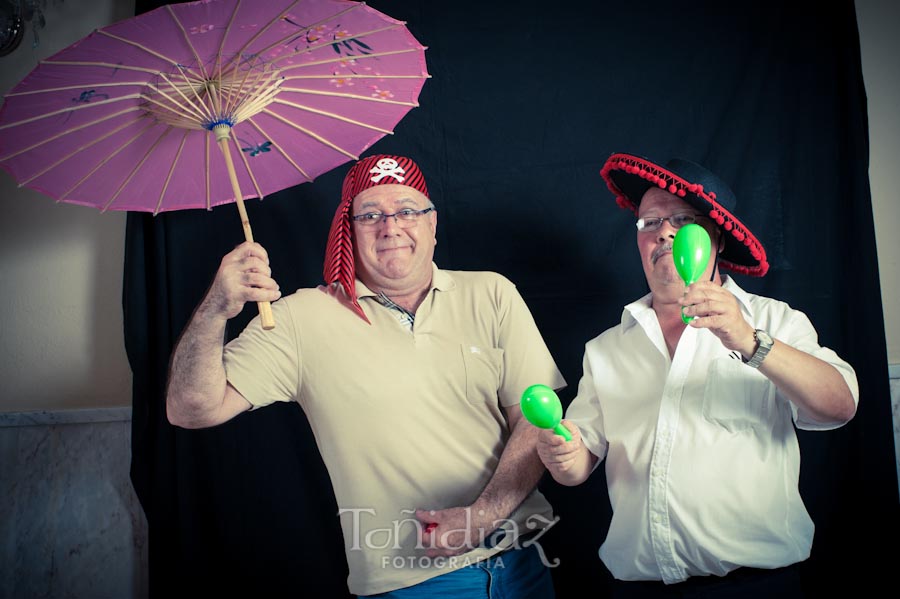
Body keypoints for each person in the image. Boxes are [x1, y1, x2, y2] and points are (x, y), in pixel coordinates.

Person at [166, 154, 566, 598]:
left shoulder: (492, 293)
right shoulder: (300, 319)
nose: (390, 227)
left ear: (432, 223)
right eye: (370, 215)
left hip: (524, 565)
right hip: (413, 585)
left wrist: (483, 518)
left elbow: (534, 420)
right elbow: (190, 409)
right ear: (348, 230)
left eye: (407, 210)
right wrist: (216, 308)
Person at [536, 153, 858, 598]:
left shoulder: (775, 321)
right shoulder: (606, 349)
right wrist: (562, 454)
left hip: (754, 590)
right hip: (639, 590)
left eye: (683, 220)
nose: (664, 232)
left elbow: (840, 406)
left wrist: (748, 340)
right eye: (649, 223)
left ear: (717, 239)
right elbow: (577, 465)